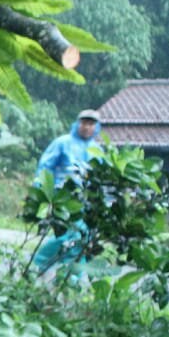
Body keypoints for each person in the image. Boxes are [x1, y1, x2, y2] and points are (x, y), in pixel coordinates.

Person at [32, 109, 101, 273]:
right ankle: (38, 264)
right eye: (84, 123)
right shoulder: (62, 143)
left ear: (96, 127)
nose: (87, 127)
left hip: (86, 202)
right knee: (65, 235)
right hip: (62, 199)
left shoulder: (97, 150)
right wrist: (42, 192)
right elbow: (45, 167)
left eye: (91, 124)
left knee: (83, 238)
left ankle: (71, 277)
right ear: (77, 124)